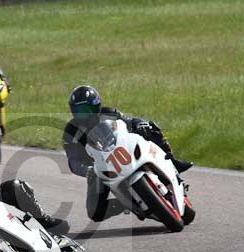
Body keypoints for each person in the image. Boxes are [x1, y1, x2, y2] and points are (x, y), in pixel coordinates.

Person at [62, 85, 193, 222]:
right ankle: (125, 204)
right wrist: (87, 170)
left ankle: (173, 161)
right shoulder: (71, 131)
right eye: (79, 111)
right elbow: (73, 160)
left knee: (151, 128)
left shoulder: (109, 112)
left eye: (86, 109)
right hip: (99, 169)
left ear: (96, 105)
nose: (84, 114)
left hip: (124, 151)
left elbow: (129, 121)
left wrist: (141, 124)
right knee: (95, 213)